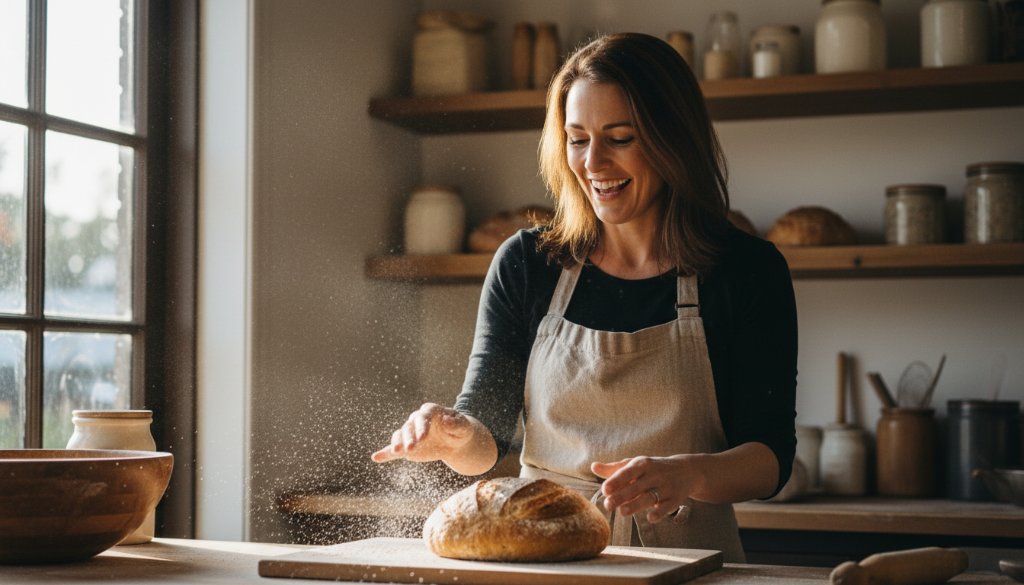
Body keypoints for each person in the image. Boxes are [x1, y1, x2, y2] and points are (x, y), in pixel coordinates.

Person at [372, 32, 797, 562]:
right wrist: (455, 436)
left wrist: (688, 473)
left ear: (673, 140)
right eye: (577, 139)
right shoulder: (528, 263)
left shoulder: (745, 271)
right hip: (544, 552)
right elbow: (488, 436)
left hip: (689, 562)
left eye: (619, 138)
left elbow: (769, 458)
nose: (593, 162)